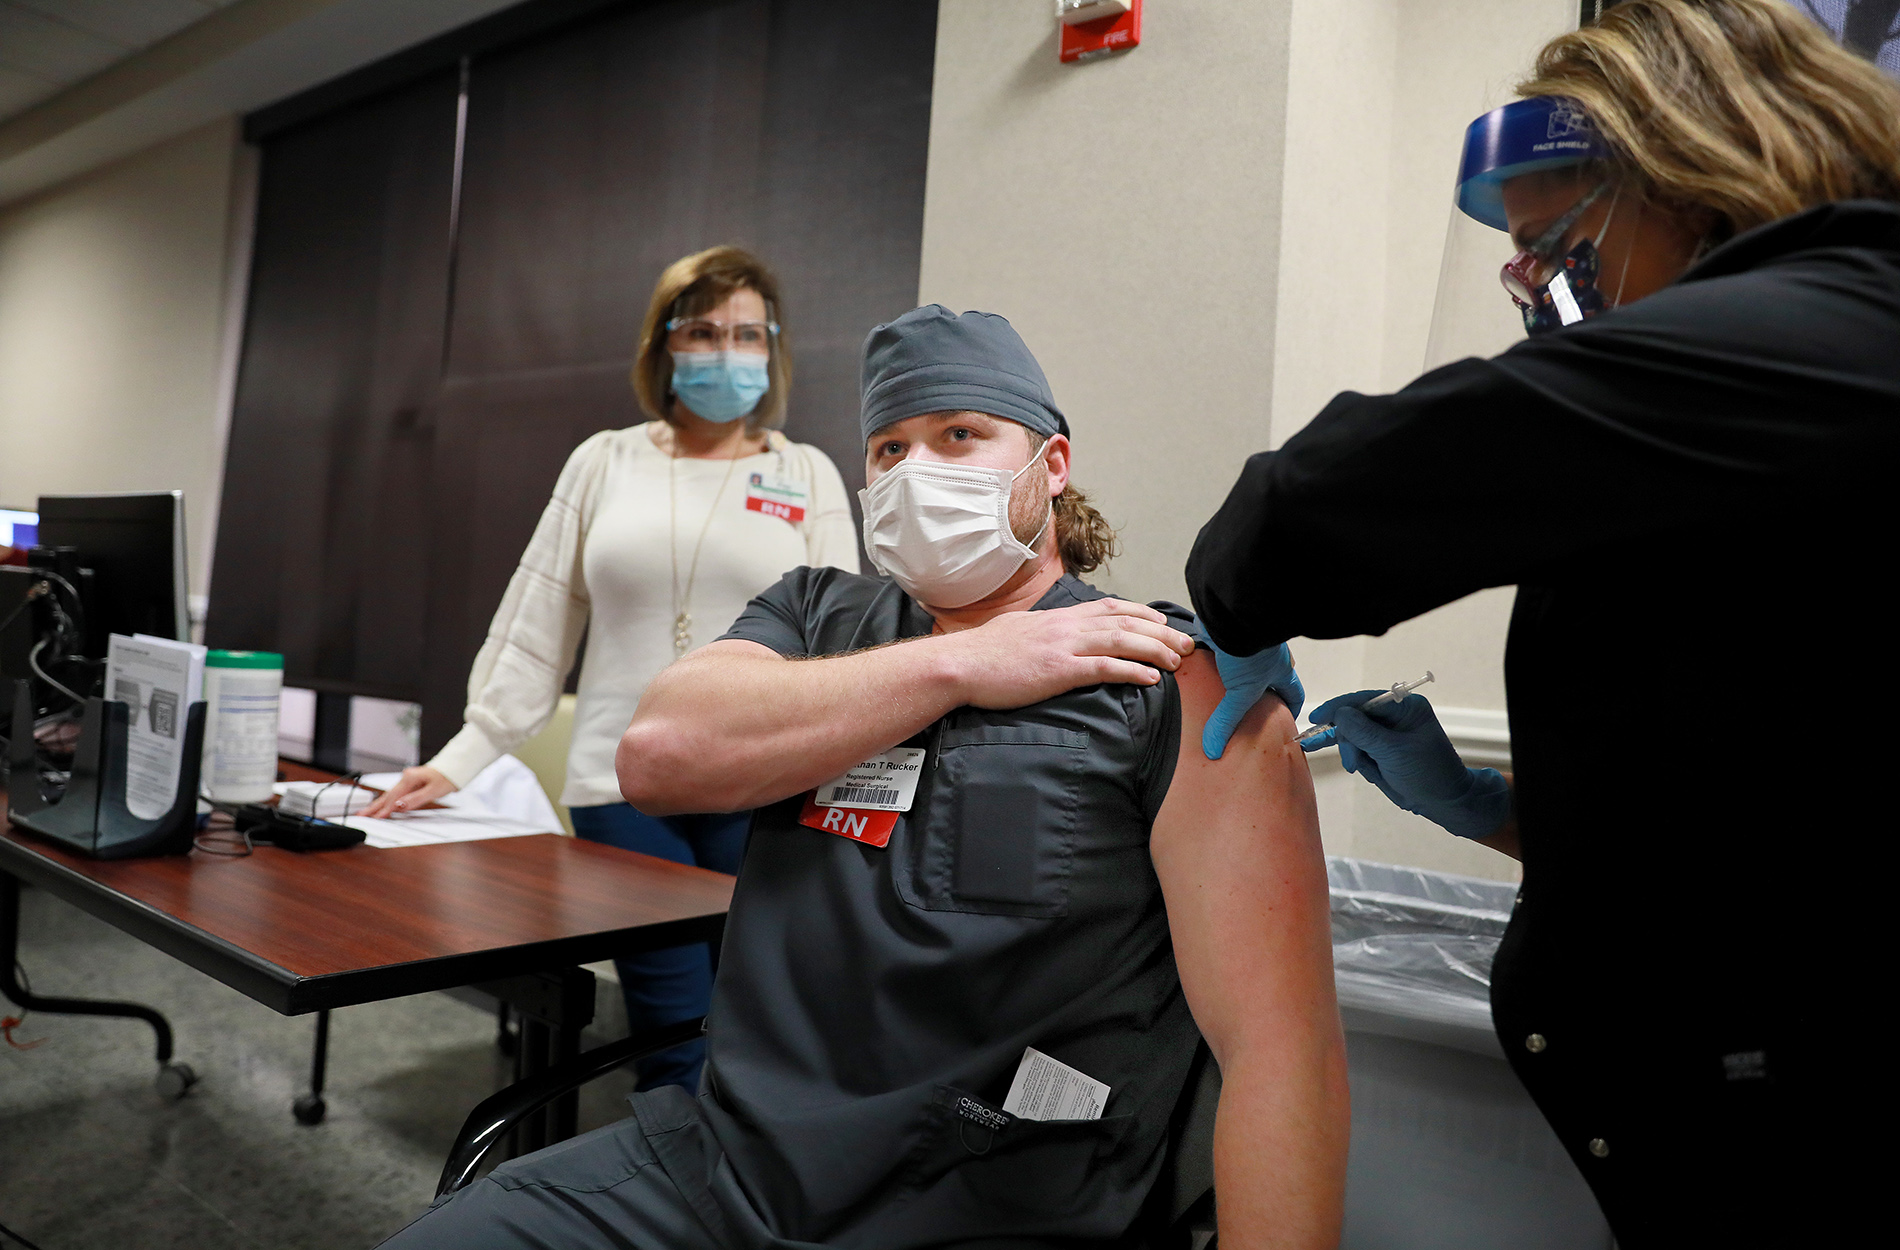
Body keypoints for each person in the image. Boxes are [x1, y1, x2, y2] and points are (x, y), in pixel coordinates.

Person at [380, 306, 1348, 1250]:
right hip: (724, 1179)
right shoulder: (815, 615)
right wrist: (962, 662)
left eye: (958, 434)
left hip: (993, 1207)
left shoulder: (1161, 674)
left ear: (1051, 465)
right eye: (889, 449)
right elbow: (659, 754)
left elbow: (1280, 1055)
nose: (916, 471)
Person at [1184, 1, 1900, 1244]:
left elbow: (1322, 499)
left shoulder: (1826, 328)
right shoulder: (1765, 421)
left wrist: (1238, 596)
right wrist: (1505, 811)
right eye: (1523, 265)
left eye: (1561, 247)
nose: (1541, 293)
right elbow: (1769, 797)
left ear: (1690, 170)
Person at [363, 246, 857, 1092]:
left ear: (771, 348)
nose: (725, 351)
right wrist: (460, 759)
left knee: (755, 1020)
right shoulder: (605, 462)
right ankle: (671, 1197)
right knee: (672, 1033)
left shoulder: (803, 473)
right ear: (663, 345)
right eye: (702, 330)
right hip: (621, 786)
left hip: (762, 785)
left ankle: (737, 1196)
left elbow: (841, 650)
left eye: (745, 333)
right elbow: (537, 620)